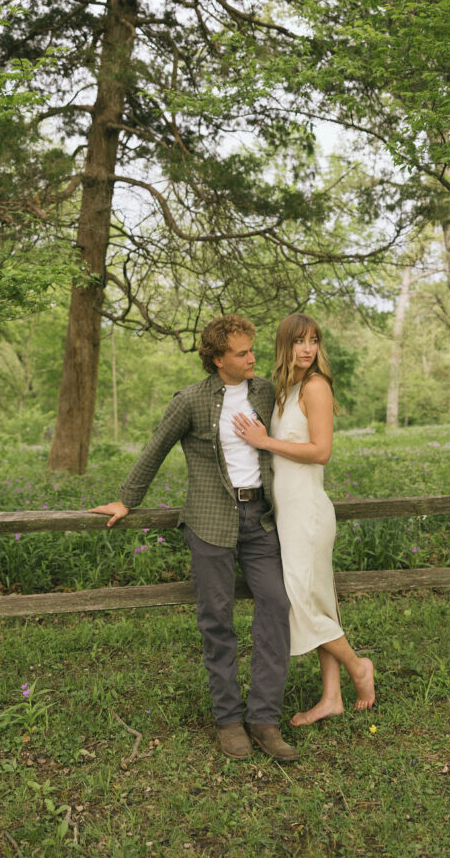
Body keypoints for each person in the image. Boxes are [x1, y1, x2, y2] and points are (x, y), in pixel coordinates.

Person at [91, 314, 298, 762]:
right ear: (219, 359)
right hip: (210, 522)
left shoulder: (265, 391)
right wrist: (126, 499)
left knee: (278, 606)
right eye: (243, 353)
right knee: (216, 620)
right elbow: (155, 449)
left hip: (261, 520)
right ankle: (229, 721)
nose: (252, 358)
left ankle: (264, 719)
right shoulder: (190, 400)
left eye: (252, 350)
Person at [232, 313, 375, 726]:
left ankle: (357, 666)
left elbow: (321, 451)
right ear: (285, 345)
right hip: (287, 513)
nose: (308, 348)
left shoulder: (315, 386)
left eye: (313, 340)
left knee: (300, 601)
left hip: (308, 513)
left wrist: (264, 440)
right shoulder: (285, 387)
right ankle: (331, 697)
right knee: (318, 601)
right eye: (299, 341)